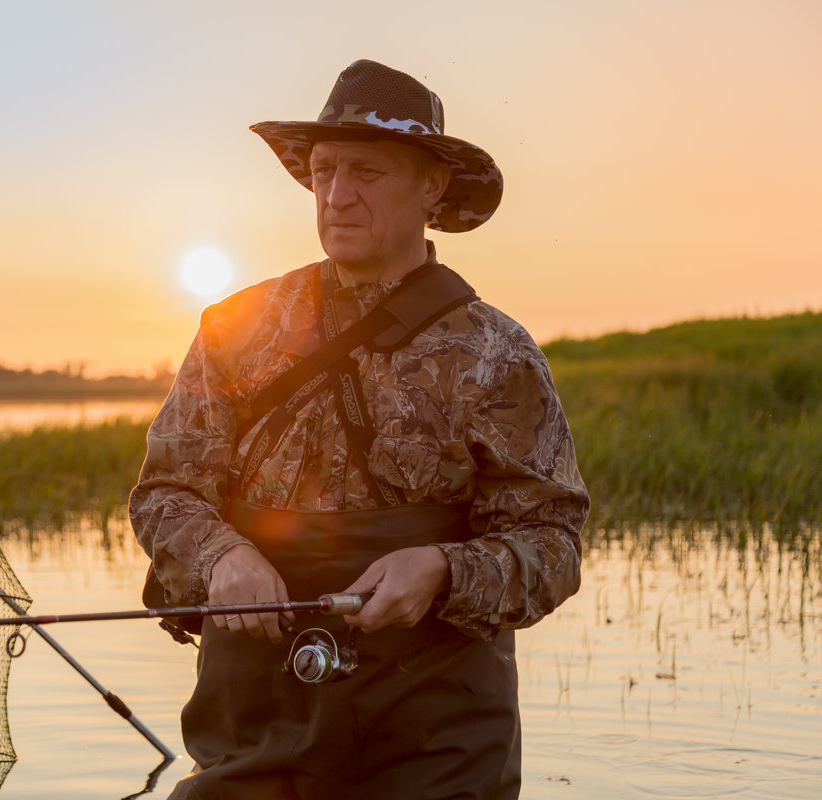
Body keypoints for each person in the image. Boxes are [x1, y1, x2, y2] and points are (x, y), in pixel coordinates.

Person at [130, 59, 587, 800]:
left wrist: (441, 569)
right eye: (323, 171)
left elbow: (554, 544)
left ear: (431, 185)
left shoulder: (496, 352)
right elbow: (164, 494)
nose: (337, 197)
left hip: (439, 736)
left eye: (366, 172)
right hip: (258, 716)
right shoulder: (235, 327)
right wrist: (222, 559)